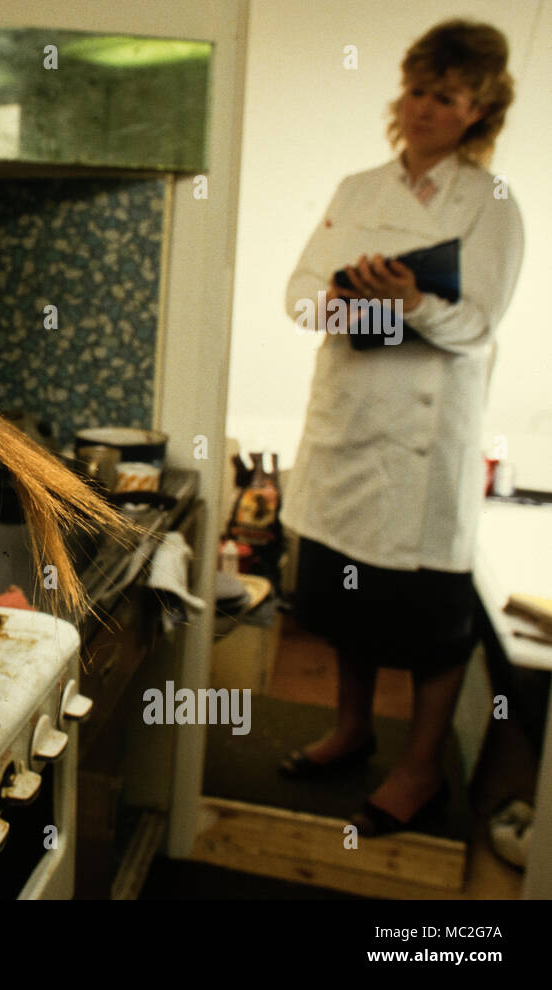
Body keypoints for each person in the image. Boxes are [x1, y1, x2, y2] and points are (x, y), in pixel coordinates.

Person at [276, 19, 524, 836]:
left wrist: (412, 302)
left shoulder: (491, 203)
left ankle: (419, 770)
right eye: (417, 89)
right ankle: (349, 730)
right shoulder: (357, 190)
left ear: (477, 111)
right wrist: (356, 300)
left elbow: (479, 324)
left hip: (425, 452)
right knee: (345, 597)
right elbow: (302, 295)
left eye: (445, 97)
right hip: (350, 433)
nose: (423, 108)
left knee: (429, 621)